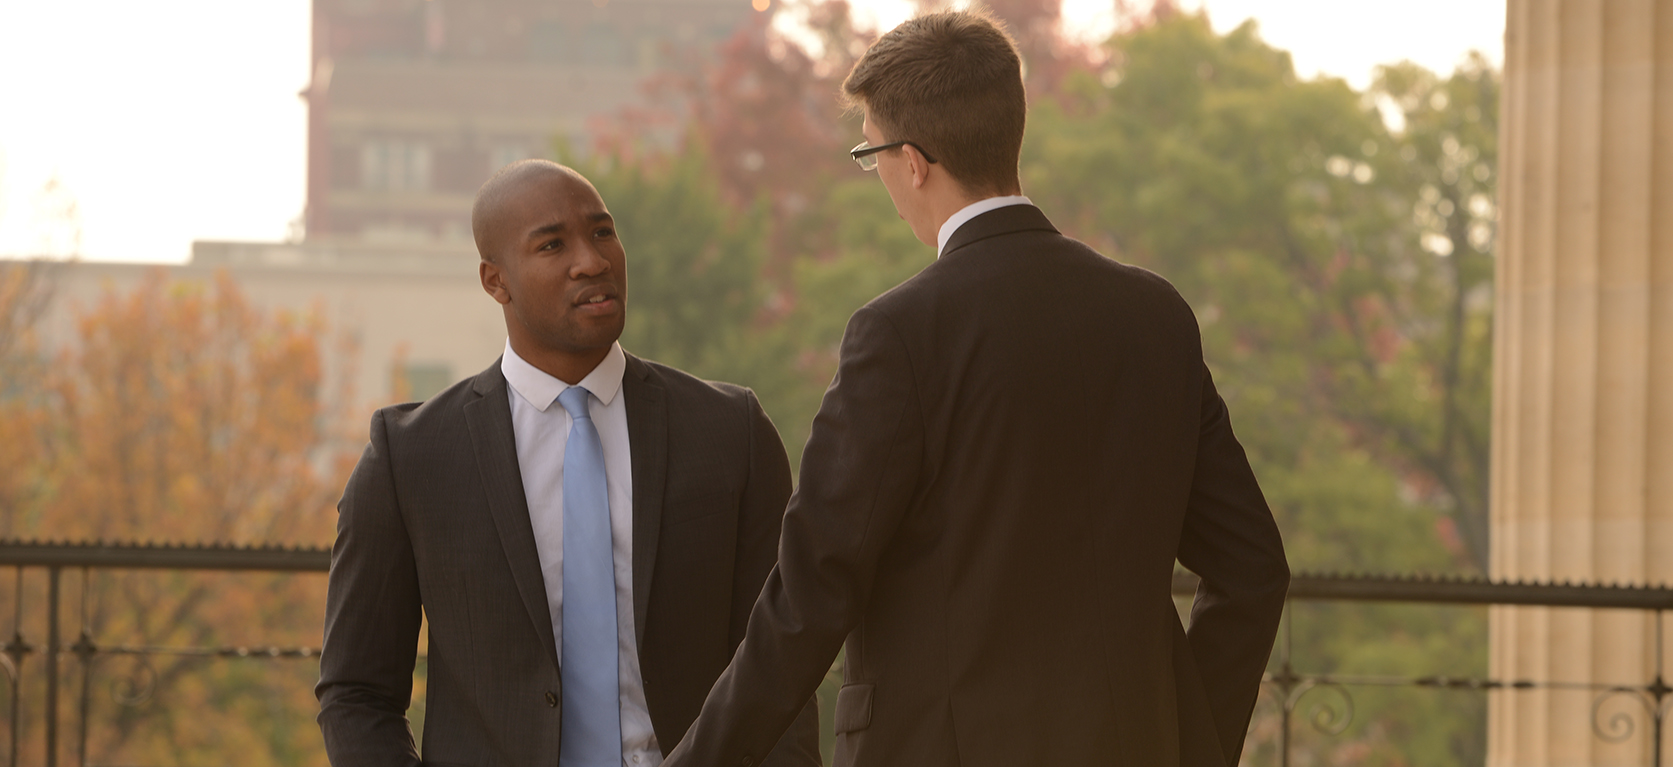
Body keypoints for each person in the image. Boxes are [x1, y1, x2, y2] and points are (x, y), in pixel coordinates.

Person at [664, 10, 1289, 767]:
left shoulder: (898, 334)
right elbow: (1252, 567)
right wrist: (1191, 741)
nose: (881, 177)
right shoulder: (1156, 315)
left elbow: (809, 596)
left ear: (914, 159)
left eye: (871, 153)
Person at [316, 160, 819, 767]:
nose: (592, 260)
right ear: (495, 281)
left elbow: (781, 668)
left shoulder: (728, 431)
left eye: (603, 232)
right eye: (553, 244)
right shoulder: (411, 457)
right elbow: (357, 694)